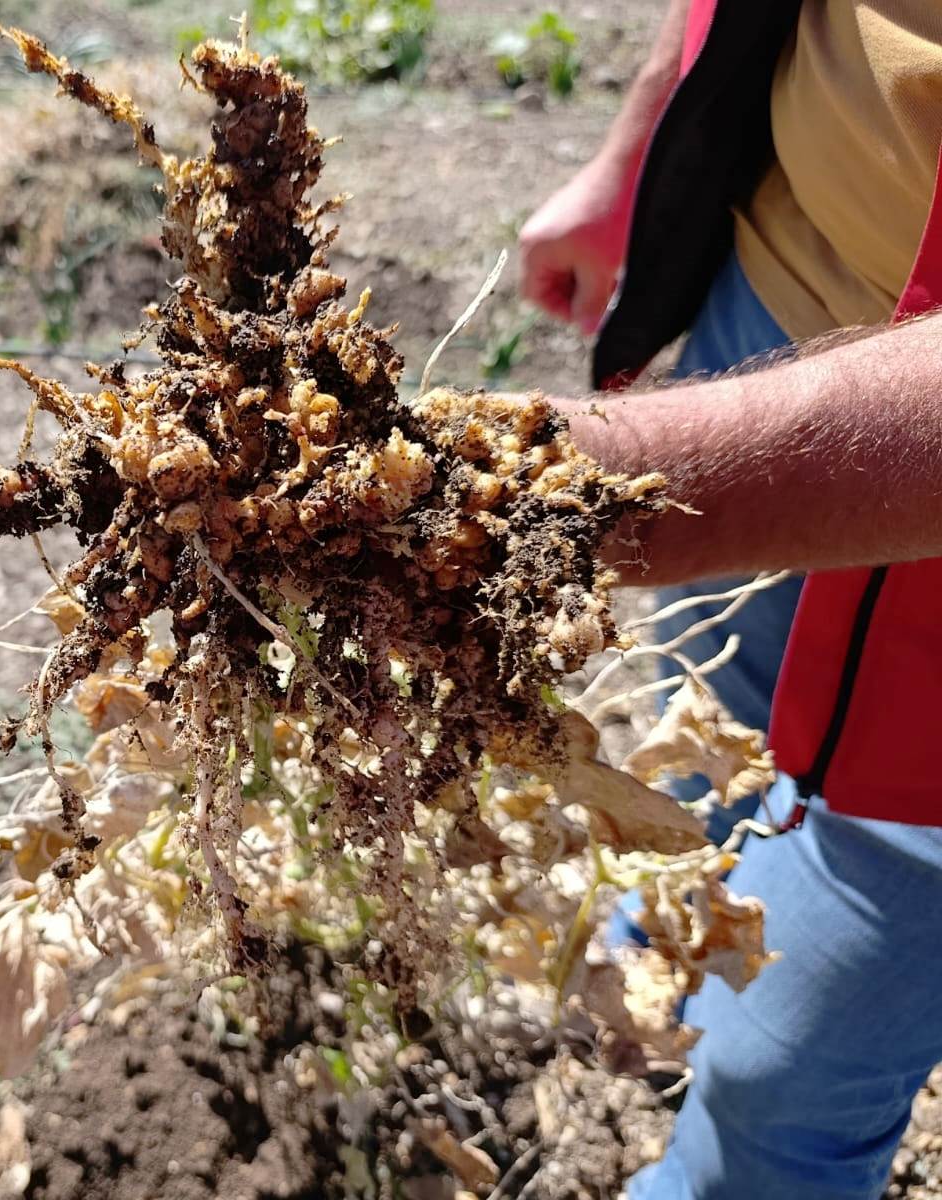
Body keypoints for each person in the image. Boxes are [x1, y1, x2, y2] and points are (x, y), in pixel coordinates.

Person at [516, 2, 942, 1197]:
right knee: (704, 736)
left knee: (779, 1085)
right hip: (768, 310)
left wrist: (531, 505)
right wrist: (636, 151)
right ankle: (657, 968)